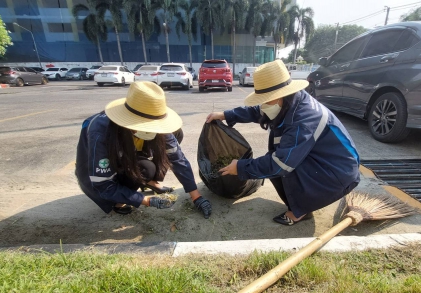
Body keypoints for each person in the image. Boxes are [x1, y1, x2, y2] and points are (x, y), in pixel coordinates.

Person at [206, 60, 360, 226]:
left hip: (337, 174)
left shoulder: (304, 119)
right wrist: (227, 115)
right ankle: (303, 201)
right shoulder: (290, 101)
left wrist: (241, 167)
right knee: (275, 162)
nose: (263, 105)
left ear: (280, 96)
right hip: (323, 161)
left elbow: (281, 164)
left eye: (266, 100)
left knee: (281, 165)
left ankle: (300, 211)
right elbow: (259, 111)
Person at [76, 81, 212, 218]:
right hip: (96, 168)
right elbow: (102, 184)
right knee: (142, 171)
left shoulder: (158, 125)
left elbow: (178, 159)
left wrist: (196, 197)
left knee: (172, 139)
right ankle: (119, 200)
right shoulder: (101, 132)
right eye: (146, 126)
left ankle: (148, 182)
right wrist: (144, 200)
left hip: (128, 154)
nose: (151, 131)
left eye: (154, 126)